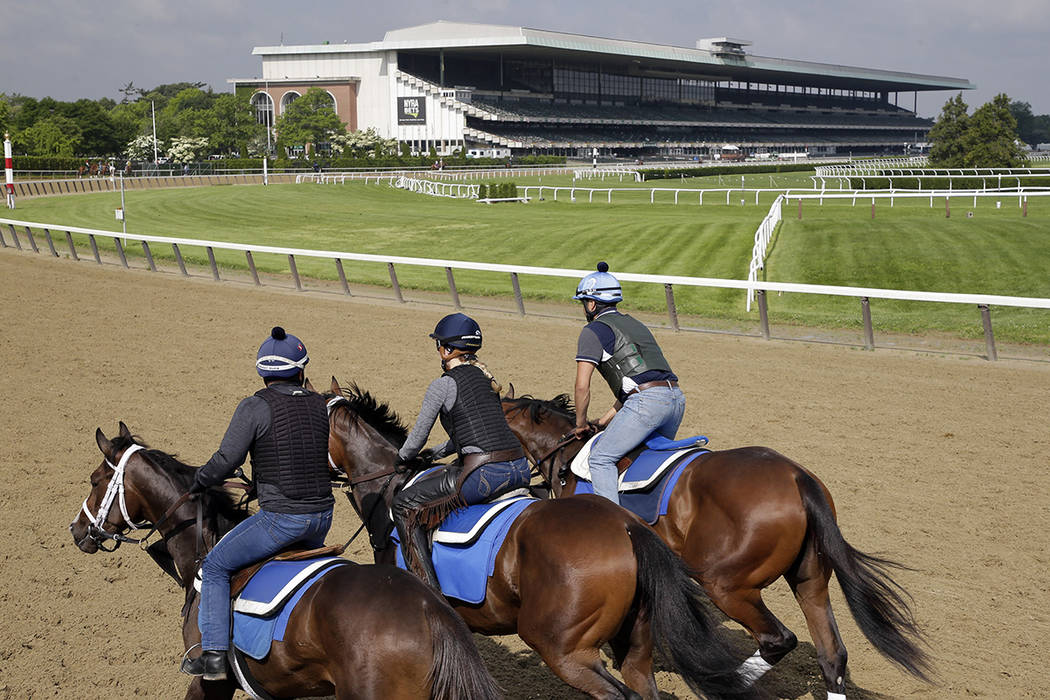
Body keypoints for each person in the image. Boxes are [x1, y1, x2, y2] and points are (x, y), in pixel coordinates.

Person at [182, 327, 334, 681]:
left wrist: (200, 480)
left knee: (216, 564)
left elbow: (225, 459)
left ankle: (216, 656)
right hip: (322, 518)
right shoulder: (318, 404)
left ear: (263, 373)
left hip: (282, 520)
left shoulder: (254, 406)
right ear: (301, 370)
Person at [392, 313, 529, 590]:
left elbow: (416, 438)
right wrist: (435, 454)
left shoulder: (443, 384)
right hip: (521, 468)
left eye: (439, 346)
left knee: (403, 505)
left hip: (484, 476)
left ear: (445, 349)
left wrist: (403, 457)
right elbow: (468, 436)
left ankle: (428, 593)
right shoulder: (487, 379)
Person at [572, 262, 685, 505]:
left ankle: (612, 525)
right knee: (643, 458)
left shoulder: (592, 331)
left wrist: (581, 423)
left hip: (647, 404)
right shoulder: (636, 324)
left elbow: (582, 387)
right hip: (675, 399)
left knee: (601, 458)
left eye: (584, 304)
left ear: (591, 304)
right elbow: (636, 383)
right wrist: (602, 422)